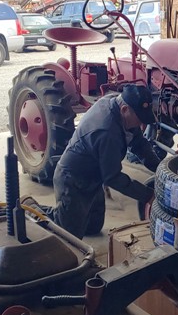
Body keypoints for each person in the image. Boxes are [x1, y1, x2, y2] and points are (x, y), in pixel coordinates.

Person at [29, 84, 161, 239]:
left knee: (93, 228)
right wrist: (148, 195)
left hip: (93, 176)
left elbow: (139, 143)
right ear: (125, 110)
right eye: (139, 119)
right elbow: (113, 178)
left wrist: (160, 171)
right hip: (72, 179)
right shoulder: (107, 132)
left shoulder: (116, 103)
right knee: (70, 235)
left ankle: (69, 214)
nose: (140, 124)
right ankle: (31, 209)